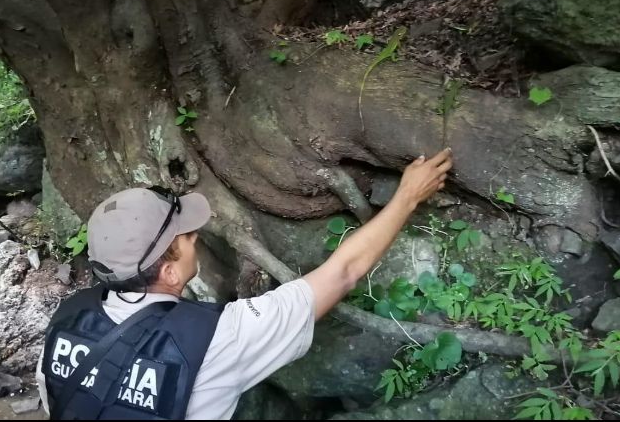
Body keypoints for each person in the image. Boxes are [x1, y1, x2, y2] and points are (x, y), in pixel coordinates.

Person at [36, 148, 453, 420]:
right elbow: (343, 272)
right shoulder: (216, 338)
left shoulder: (68, 320)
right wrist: (406, 198)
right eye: (185, 237)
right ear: (168, 272)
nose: (195, 237)